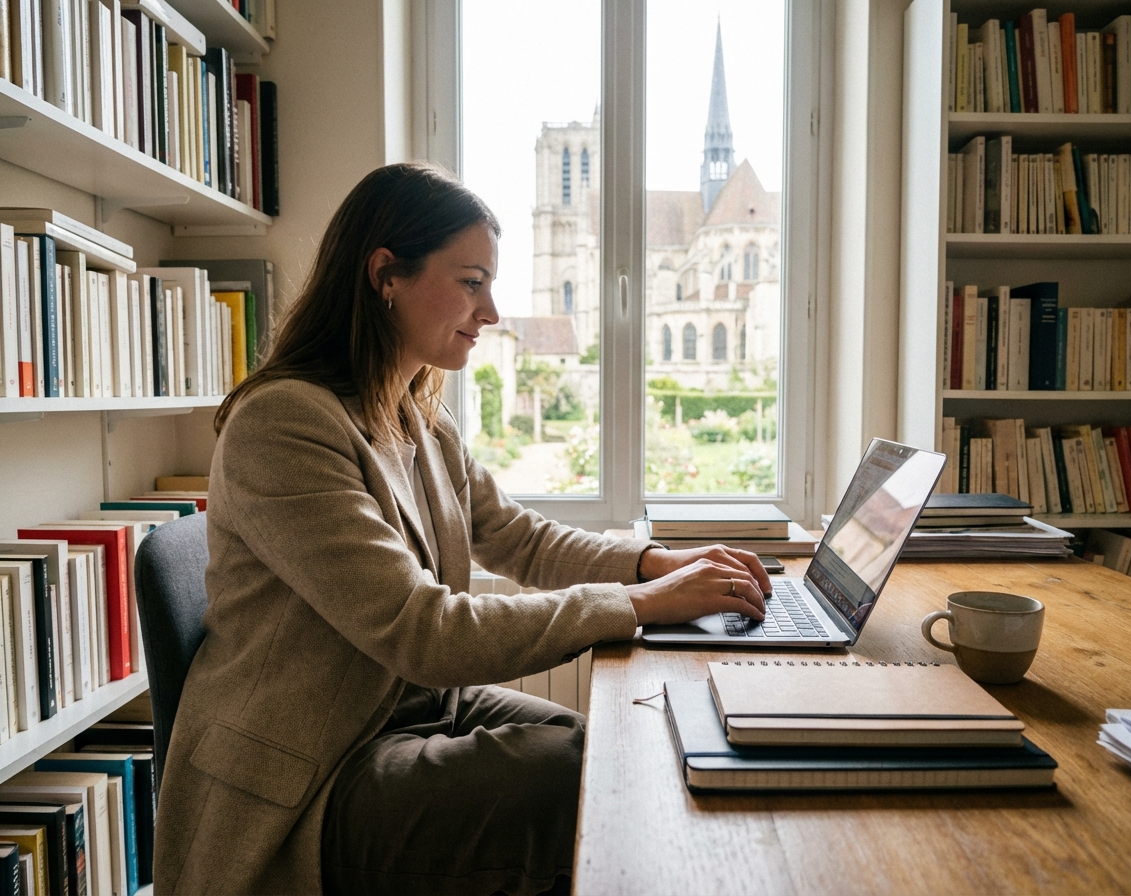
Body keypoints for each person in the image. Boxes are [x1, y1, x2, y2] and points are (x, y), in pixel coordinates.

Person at [152, 162, 770, 896]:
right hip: (311, 778)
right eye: (472, 282)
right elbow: (425, 630)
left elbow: (519, 538)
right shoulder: (283, 424)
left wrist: (655, 562)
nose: (492, 311)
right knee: (572, 779)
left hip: (404, 712)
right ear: (387, 274)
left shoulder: (416, 413)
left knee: (604, 745)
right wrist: (641, 605)